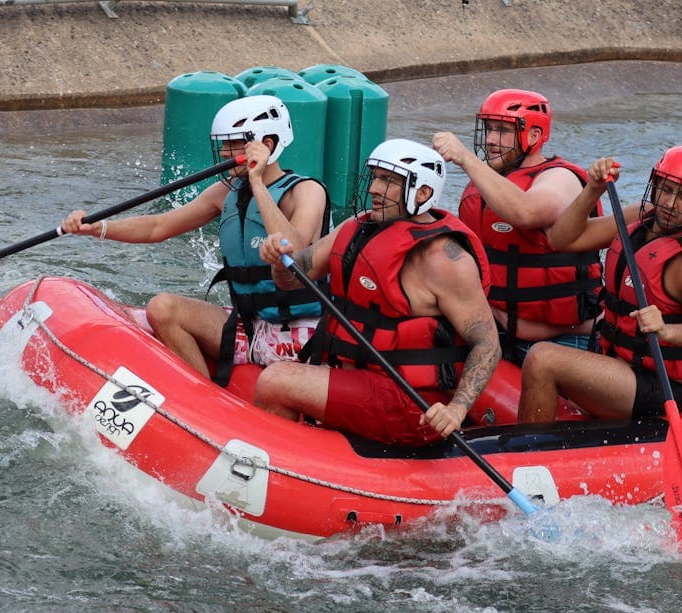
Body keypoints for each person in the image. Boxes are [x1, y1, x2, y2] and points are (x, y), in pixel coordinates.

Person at [61, 95, 330, 383]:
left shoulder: (307, 191)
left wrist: (257, 183)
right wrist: (98, 228)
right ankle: (204, 398)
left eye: (234, 143)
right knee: (162, 308)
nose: (225, 152)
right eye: (223, 144)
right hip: (248, 326)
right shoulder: (225, 193)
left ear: (267, 145)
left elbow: (296, 251)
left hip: (299, 334)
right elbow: (158, 226)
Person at [255, 139, 500, 446]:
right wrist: (278, 257)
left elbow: (488, 343)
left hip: (409, 405)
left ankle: (278, 471)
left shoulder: (445, 259)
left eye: (388, 181)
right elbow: (295, 275)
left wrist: (457, 409)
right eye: (375, 177)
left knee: (275, 382)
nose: (373, 188)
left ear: (422, 193)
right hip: (358, 379)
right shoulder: (358, 227)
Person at [518, 146, 682, 423]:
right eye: (667, 190)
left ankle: (530, 457)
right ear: (655, 185)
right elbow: (562, 240)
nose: (670, 204)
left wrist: (666, 330)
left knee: (542, 359)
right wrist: (593, 189)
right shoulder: (642, 217)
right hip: (619, 363)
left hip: (664, 385)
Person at [432, 88, 604, 364]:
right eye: (488, 129)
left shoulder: (560, 177)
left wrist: (465, 157)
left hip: (563, 343)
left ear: (534, 136)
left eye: (502, 131)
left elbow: (526, 212)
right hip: (496, 335)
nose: (490, 140)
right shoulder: (486, 185)